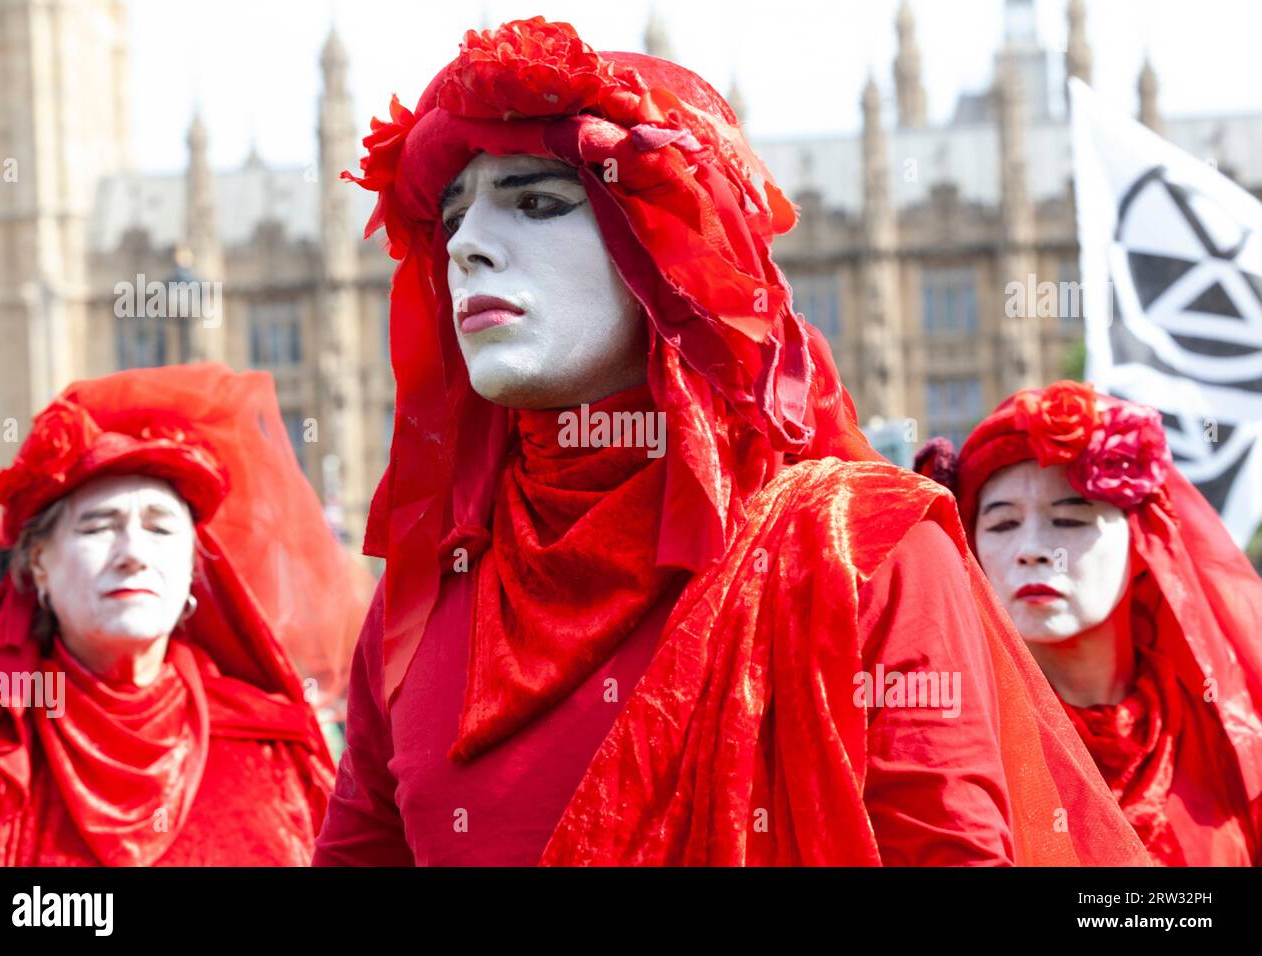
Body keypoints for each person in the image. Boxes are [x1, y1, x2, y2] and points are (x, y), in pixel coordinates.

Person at [313, 16, 1147, 866]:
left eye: (537, 202)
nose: (468, 246)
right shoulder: (425, 596)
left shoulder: (860, 554)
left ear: (673, 248)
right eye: (450, 214)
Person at [0, 363, 364, 866]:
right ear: (39, 563)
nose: (133, 553)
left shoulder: (277, 745)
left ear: (194, 565)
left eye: (160, 529)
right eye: (97, 527)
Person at [916, 379, 1262, 865]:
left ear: (1142, 542)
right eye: (1002, 524)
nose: (1033, 550)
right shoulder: (950, 740)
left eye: (1070, 520)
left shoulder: (1227, 733)